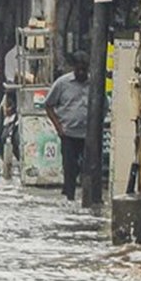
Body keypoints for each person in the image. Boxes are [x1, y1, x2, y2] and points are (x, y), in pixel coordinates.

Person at [44, 51, 90, 201]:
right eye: (79, 69)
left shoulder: (94, 84)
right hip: (68, 134)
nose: (82, 72)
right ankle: (69, 196)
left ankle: (87, 198)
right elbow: (48, 105)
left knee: (88, 168)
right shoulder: (62, 83)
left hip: (88, 135)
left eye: (85, 69)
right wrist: (59, 127)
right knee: (69, 168)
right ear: (74, 68)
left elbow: (103, 106)